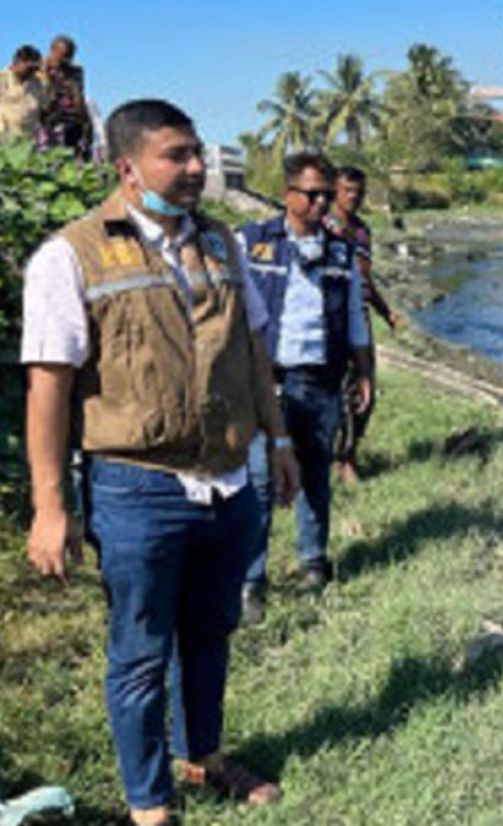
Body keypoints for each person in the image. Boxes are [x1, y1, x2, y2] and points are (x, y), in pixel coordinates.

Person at [21, 98, 299, 826]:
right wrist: (52, 507)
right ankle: (150, 802)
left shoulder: (223, 245)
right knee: (141, 651)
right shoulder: (70, 255)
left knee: (211, 630)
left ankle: (202, 757)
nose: (197, 168)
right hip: (135, 485)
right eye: (177, 156)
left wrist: (279, 438)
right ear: (126, 167)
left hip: (229, 480)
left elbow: (254, 350)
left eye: (198, 152)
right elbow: (47, 387)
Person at [239, 152, 373, 618]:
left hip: (320, 380)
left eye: (326, 194)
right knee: (257, 481)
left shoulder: (341, 252)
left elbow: (355, 317)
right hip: (264, 382)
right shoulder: (252, 243)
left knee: (315, 472)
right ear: (288, 194)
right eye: (311, 193)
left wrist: (364, 371)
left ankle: (313, 560)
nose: (321, 202)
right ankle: (251, 580)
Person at [323, 166, 403, 485]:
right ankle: (318, 457)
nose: (353, 196)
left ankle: (348, 457)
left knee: (365, 389)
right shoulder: (322, 225)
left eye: (359, 191)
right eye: (347, 190)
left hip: (360, 316)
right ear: (334, 191)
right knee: (326, 389)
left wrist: (386, 313)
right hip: (329, 318)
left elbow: (365, 280)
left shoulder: (362, 231)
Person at [39, 35, 91, 161]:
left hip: (73, 122)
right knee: (51, 160)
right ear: (52, 50)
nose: (67, 59)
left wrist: (86, 122)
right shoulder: (39, 69)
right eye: (63, 54)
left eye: (69, 55)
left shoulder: (76, 72)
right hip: (51, 123)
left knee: (73, 161)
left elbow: (79, 96)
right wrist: (46, 73)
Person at [0, 45, 45, 144]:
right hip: (4, 139)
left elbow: (42, 112)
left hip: (28, 142)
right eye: (30, 68)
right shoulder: (2, 79)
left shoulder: (38, 84)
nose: (33, 72)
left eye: (35, 69)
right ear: (19, 62)